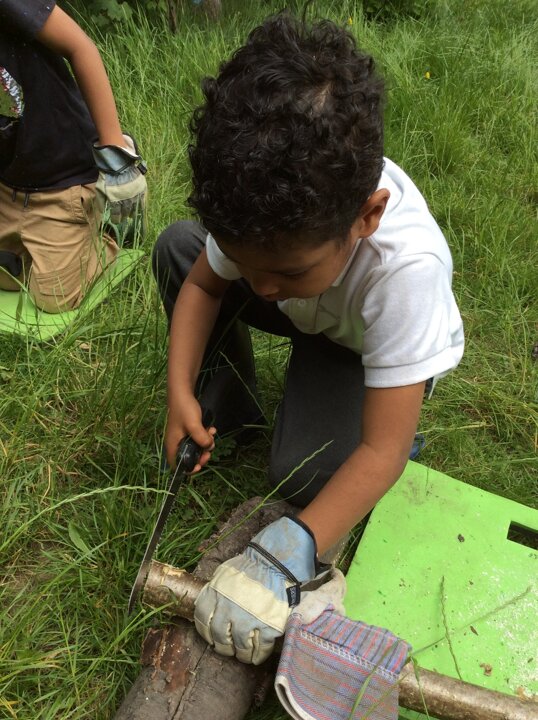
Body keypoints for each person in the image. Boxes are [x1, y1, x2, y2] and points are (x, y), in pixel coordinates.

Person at [152, 13, 464, 665]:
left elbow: (381, 450)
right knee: (179, 249)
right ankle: (225, 415)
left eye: (288, 271)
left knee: (305, 476)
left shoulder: (406, 272)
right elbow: (206, 284)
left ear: (367, 217)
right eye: (248, 263)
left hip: (364, 353)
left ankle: (353, 413)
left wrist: (292, 547)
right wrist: (180, 392)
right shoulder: (263, 212)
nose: (263, 288)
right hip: (317, 312)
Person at [0, 0, 146, 314]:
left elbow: (81, 47)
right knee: (8, 278)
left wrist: (115, 154)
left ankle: (103, 232)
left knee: (52, 297)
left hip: (62, 177)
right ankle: (41, 247)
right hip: (8, 183)